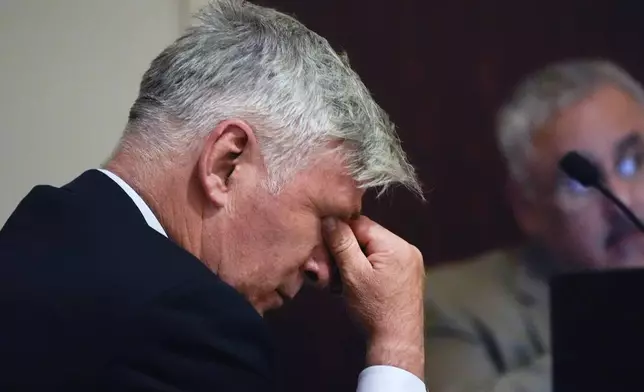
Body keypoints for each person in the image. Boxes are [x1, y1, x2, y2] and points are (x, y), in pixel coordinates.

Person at [0, 1, 427, 391]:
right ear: (227, 162)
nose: (325, 269)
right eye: (326, 220)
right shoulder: (187, 325)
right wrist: (398, 346)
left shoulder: (38, 222)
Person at [423, 59, 644, 392]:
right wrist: (625, 332)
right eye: (579, 183)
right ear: (528, 209)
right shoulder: (450, 305)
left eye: (633, 162)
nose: (622, 202)